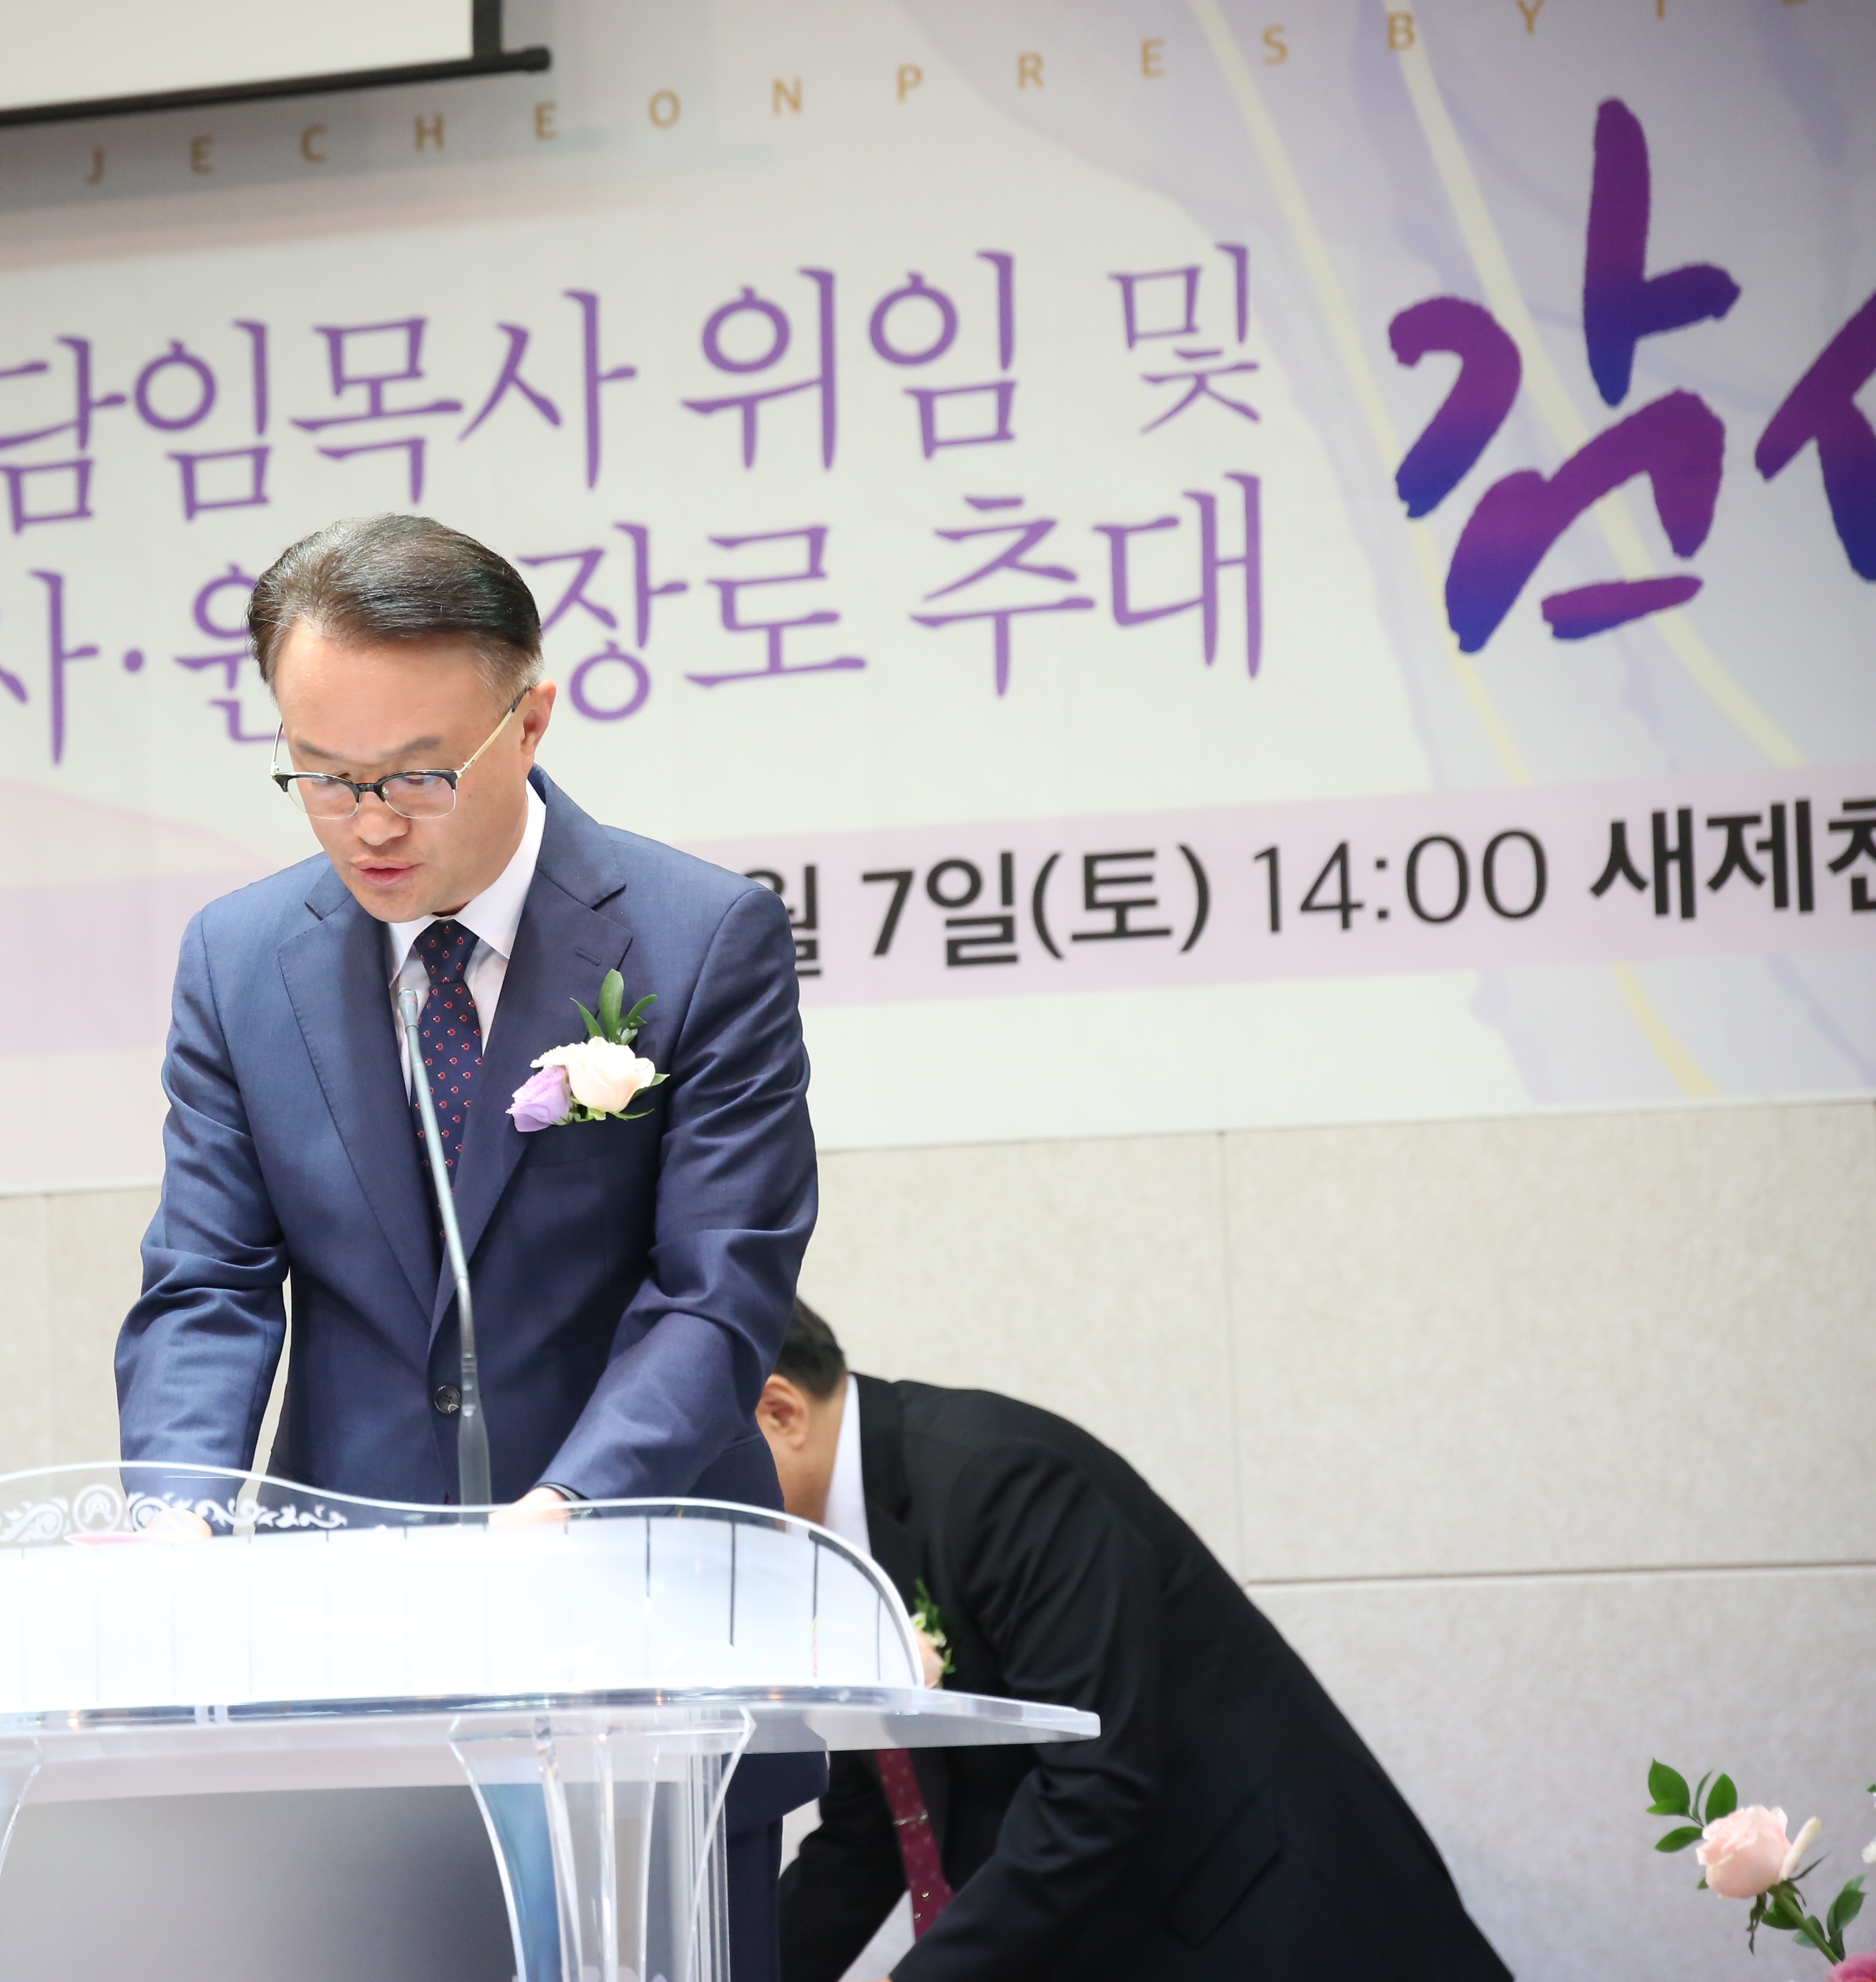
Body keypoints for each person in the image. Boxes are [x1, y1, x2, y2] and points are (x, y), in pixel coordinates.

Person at [115, 513, 821, 1976]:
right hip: (353, 1662)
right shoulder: (240, 960)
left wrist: (566, 1510)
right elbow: (208, 1281)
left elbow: (715, 1289)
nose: (368, 823)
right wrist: (177, 1511)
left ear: (531, 719)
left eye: (416, 775)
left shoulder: (698, 937)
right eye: (322, 774)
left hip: (642, 1633)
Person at [762, 1304, 1514, 1982]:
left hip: (1261, 1920)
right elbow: (870, 1829)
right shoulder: (830, 1556)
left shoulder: (997, 1479)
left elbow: (1096, 1782)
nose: (706, 1514)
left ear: (781, 1410)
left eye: (708, 1469)